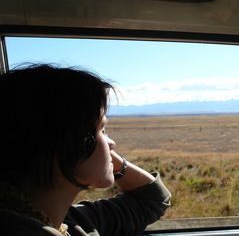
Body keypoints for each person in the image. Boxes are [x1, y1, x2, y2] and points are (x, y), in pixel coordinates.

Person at [0, 64, 171, 236]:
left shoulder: (66, 221)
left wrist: (105, 159)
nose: (112, 144)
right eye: (102, 130)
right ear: (68, 143)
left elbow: (151, 200)